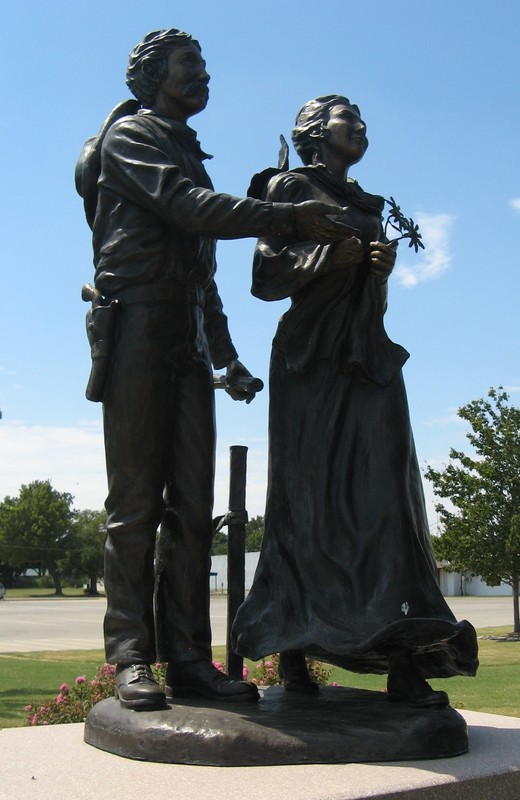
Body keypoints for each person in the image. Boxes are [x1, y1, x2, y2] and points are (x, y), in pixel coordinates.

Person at [75, 34, 352, 711]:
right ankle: (132, 657)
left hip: (188, 341)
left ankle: (190, 660)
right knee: (135, 504)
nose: (203, 76)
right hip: (137, 325)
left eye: (203, 66)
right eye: (189, 66)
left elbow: (204, 278)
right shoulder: (132, 139)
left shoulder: (189, 153)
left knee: (194, 510)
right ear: (151, 76)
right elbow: (189, 209)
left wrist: (226, 358)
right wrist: (285, 214)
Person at [232, 95, 478, 706]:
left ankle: (404, 654)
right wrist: (329, 257)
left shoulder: (366, 203)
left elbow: (363, 293)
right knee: (307, 505)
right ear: (316, 131)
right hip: (311, 365)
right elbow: (264, 281)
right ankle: (293, 649)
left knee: (387, 503)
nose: (363, 128)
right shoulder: (289, 187)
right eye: (350, 118)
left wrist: (377, 273)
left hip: (367, 360)